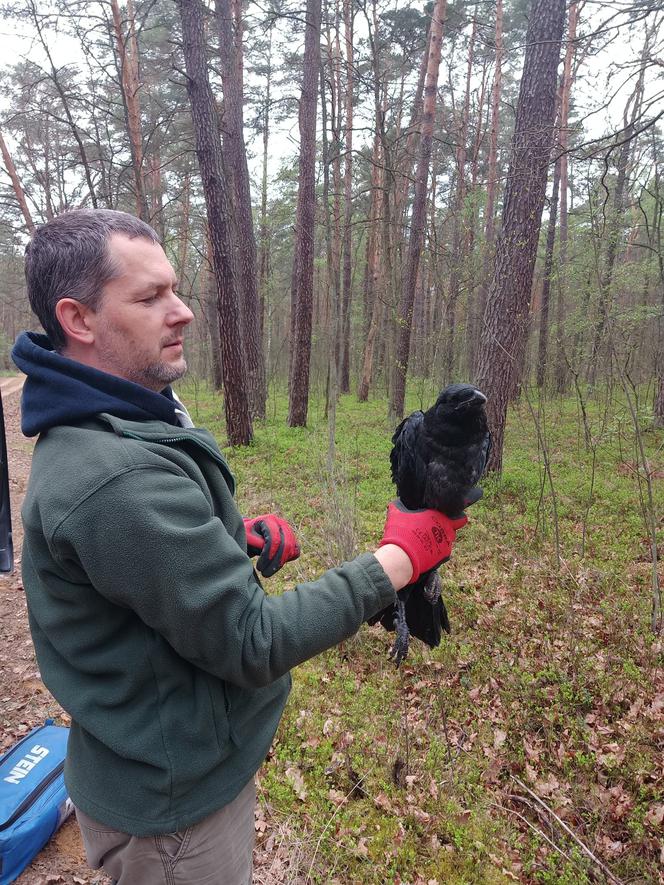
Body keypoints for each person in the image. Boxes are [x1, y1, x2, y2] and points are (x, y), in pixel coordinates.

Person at [12, 209, 466, 885]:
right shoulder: (114, 477)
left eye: (174, 288)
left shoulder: (114, 414)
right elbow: (253, 641)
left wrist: (225, 539)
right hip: (174, 820)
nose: (184, 311)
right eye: (149, 297)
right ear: (78, 320)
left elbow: (142, 564)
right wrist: (402, 557)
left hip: (156, 762)